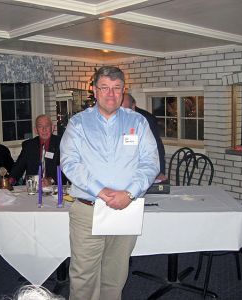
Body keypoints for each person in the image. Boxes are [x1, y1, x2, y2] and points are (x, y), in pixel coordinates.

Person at [60, 66, 159, 300]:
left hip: (127, 208)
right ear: (95, 90)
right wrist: (100, 190)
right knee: (83, 277)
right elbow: (70, 163)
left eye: (116, 88)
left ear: (124, 90)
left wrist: (131, 193)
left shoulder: (139, 122)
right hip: (88, 209)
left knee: (115, 276)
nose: (111, 94)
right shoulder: (78, 123)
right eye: (104, 88)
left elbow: (150, 163)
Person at [122, 93, 166, 180]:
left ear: (133, 106)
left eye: (126, 109)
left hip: (142, 167)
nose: (123, 113)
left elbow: (156, 147)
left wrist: (159, 171)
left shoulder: (146, 119)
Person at [9, 114, 62, 187]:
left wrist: (51, 180)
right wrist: (10, 180)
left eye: (47, 126)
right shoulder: (29, 145)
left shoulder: (61, 144)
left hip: (54, 188)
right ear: (35, 130)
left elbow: (66, 169)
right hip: (32, 188)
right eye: (40, 126)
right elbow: (18, 168)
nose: (44, 129)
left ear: (53, 128)